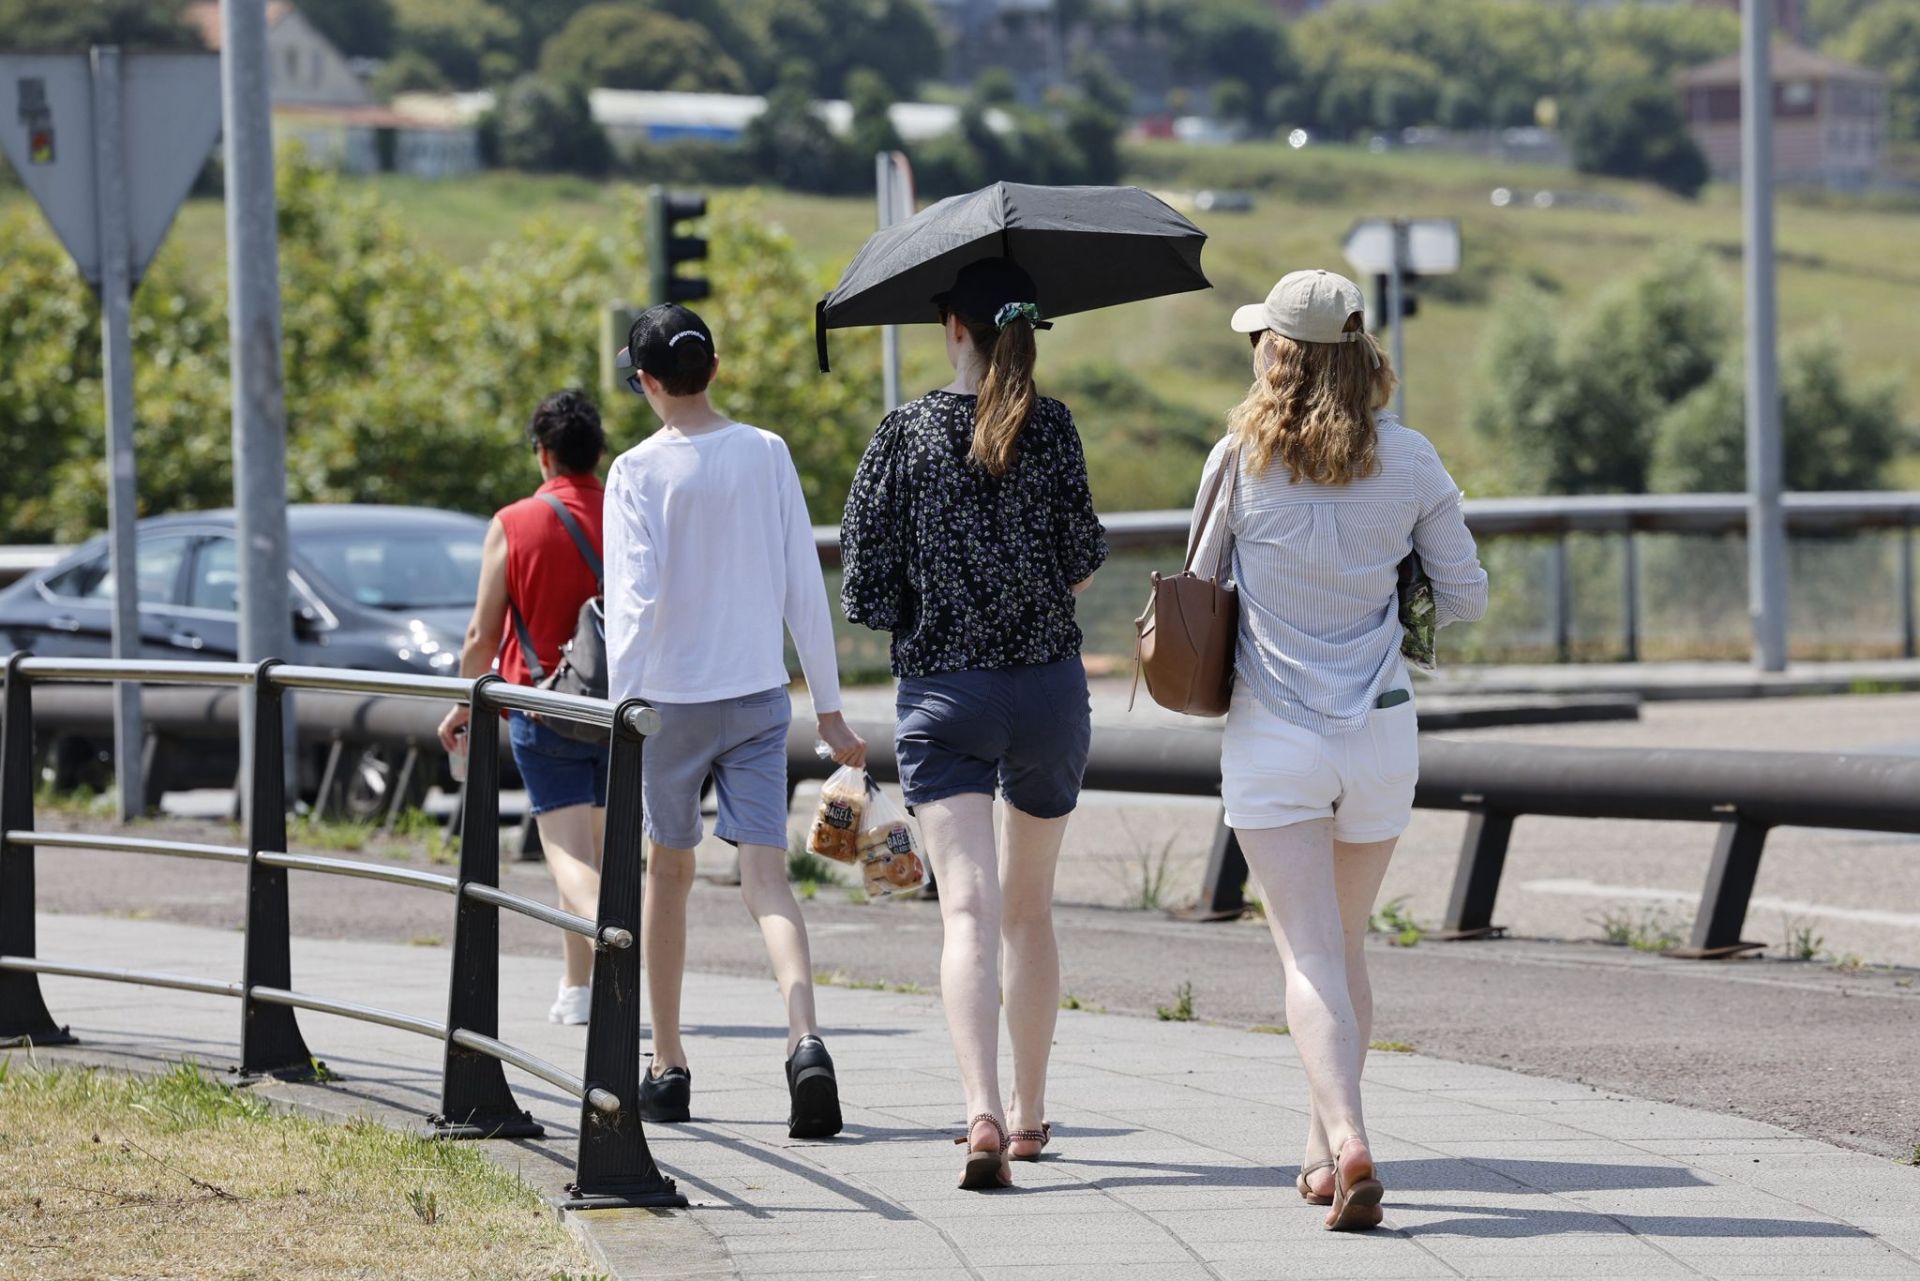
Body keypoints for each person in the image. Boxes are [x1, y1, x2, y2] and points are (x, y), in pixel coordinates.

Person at [1194, 270, 1488, 1230]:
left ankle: (1352, 1136)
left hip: (1274, 731)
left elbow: (1200, 588)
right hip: (1380, 729)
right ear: (1363, 354)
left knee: (1311, 953)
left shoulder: (1239, 458)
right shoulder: (1412, 462)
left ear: (1273, 357)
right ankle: (1322, 1153)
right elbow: (1469, 595)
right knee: (1343, 944)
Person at [840, 258, 1107, 1189]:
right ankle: (1032, 1117)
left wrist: (938, 592)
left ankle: (981, 1116)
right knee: (1031, 912)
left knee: (967, 912)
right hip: (1046, 692)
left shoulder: (904, 434)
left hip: (946, 697)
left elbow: (867, 589)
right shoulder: (1057, 426)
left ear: (951, 326)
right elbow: (1082, 562)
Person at [602, 302, 866, 1140]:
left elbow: (634, 601)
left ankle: (669, 1062)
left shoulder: (636, 472)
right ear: (714, 368)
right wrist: (828, 707)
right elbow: (802, 585)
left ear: (645, 381)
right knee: (767, 881)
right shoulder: (766, 451)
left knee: (667, 877)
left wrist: (619, 705)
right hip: (757, 697)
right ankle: (806, 1040)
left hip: (670, 703)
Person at [439, 388, 611, 1026]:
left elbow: (481, 637)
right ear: (597, 452)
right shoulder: (627, 512)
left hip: (543, 708)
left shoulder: (515, 523)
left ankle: (612, 945)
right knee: (598, 853)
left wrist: (463, 705)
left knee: (568, 858)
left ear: (542, 455)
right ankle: (578, 990)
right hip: (621, 713)